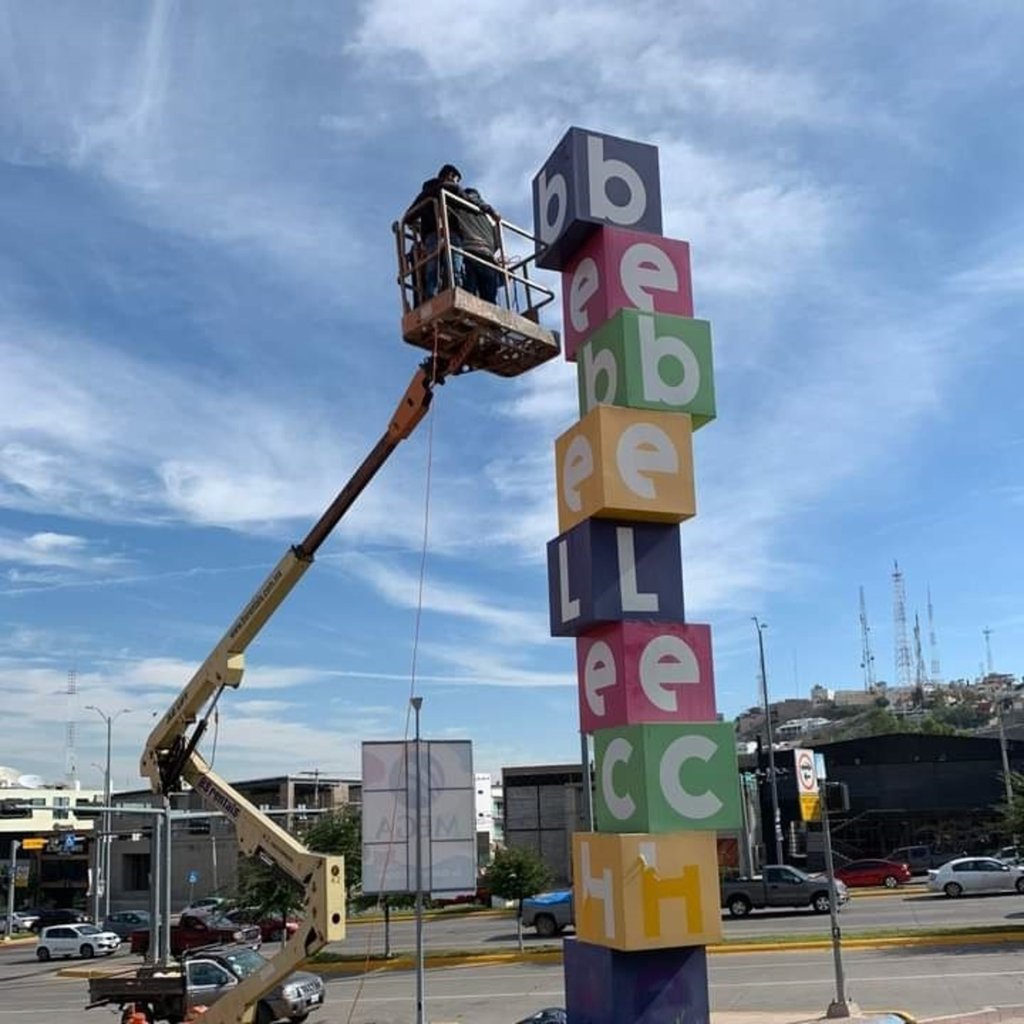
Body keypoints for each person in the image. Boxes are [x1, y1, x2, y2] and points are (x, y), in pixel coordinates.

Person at [406, 163, 464, 300]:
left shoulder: (425, 194)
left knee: (433, 269)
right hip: (450, 233)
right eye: (456, 179)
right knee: (455, 268)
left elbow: (408, 216)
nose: (457, 183)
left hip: (431, 236)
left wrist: (419, 226)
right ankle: (457, 292)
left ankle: (432, 297)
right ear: (450, 175)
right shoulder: (449, 189)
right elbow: (464, 198)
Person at [451, 186, 502, 304]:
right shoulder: (488, 218)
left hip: (470, 254)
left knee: (469, 294)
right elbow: (497, 242)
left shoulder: (460, 207)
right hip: (488, 257)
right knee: (489, 299)